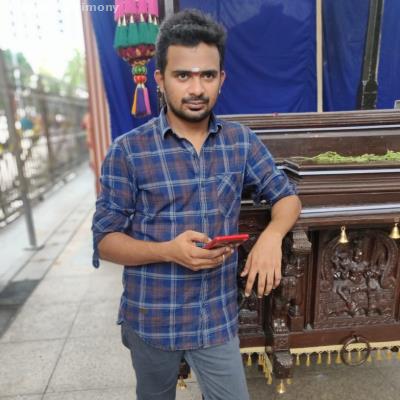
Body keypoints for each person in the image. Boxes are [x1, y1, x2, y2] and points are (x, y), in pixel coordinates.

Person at [92, 9, 301, 400]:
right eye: (182, 75)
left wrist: (273, 236)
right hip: (152, 317)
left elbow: (286, 196)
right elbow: (104, 241)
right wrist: (168, 251)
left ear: (222, 79)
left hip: (214, 317)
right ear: (160, 79)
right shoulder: (128, 151)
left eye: (207, 75)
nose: (196, 88)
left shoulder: (240, 142)